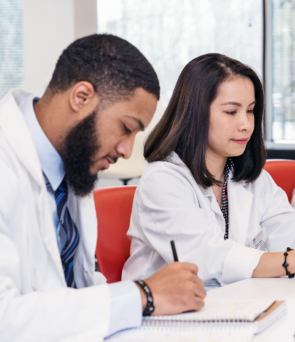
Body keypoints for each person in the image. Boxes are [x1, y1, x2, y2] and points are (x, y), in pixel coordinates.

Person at [0, 34, 206, 341]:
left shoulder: (71, 165)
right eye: (126, 128)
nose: (126, 150)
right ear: (81, 97)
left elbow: (79, 288)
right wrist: (143, 294)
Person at [122, 53, 295, 291]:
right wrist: (287, 261)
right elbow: (206, 259)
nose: (246, 124)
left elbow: (287, 233)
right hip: (169, 319)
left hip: (239, 305)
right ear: (196, 113)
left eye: (251, 110)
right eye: (231, 112)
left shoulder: (252, 178)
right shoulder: (162, 180)